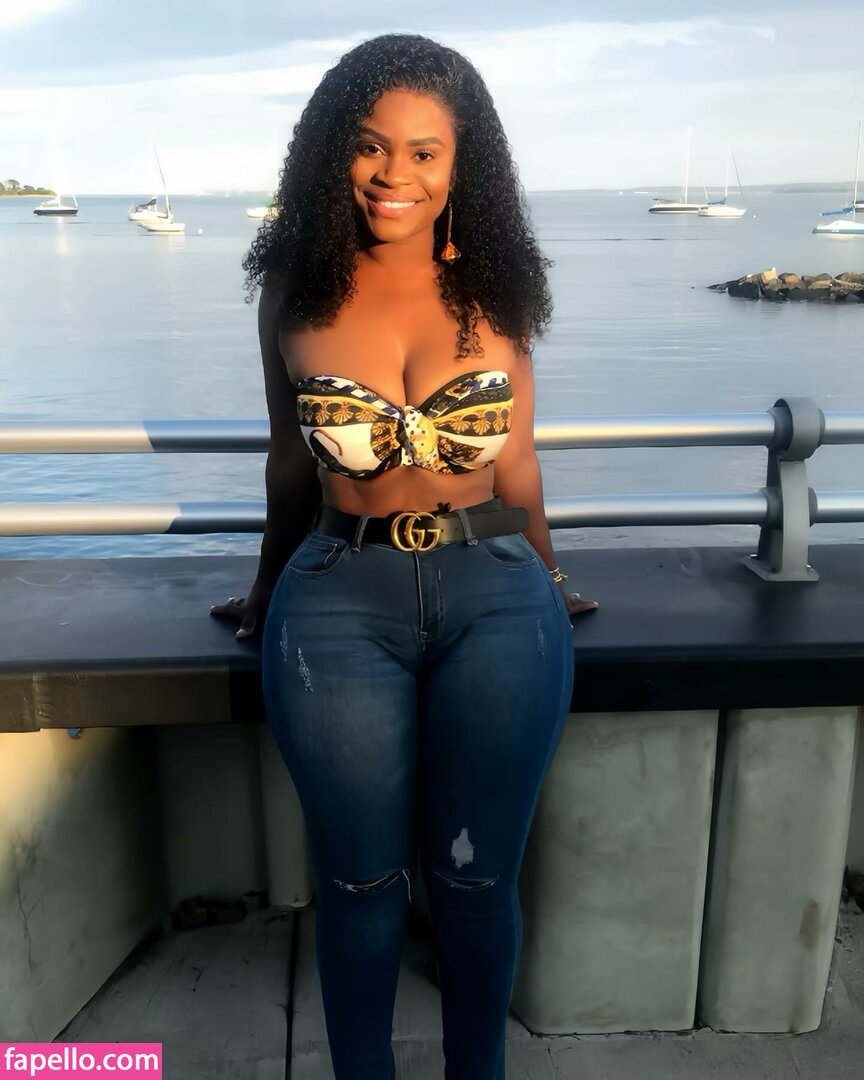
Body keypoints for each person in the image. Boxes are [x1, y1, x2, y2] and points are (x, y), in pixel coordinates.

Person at [211, 33, 597, 1079]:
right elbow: (289, 462)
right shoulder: (293, 290)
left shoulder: (499, 291)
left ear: (463, 166)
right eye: (372, 144)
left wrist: (553, 576)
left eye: (426, 152)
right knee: (359, 886)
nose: (396, 173)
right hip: (338, 600)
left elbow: (518, 463)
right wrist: (264, 586)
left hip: (496, 597)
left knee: (476, 884)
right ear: (331, 150)